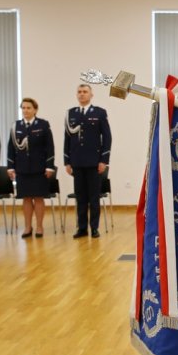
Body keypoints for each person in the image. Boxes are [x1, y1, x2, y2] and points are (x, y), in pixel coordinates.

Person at [64, 84, 111, 239]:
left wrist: (104, 160)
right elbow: (67, 139)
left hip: (94, 162)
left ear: (91, 95)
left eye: (85, 92)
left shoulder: (99, 113)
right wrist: (67, 161)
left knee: (93, 197)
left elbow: (107, 138)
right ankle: (82, 228)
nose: (82, 94)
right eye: (79, 92)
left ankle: (94, 228)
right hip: (77, 162)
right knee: (80, 197)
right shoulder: (71, 113)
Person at [7, 97, 55, 239]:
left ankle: (39, 226)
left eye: (28, 108)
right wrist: (10, 167)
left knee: (38, 198)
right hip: (22, 168)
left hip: (39, 168)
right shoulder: (16, 126)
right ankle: (28, 227)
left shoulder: (43, 125)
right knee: (26, 199)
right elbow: (11, 148)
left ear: (35, 110)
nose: (25, 110)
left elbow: (49, 147)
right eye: (23, 108)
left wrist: (49, 166)